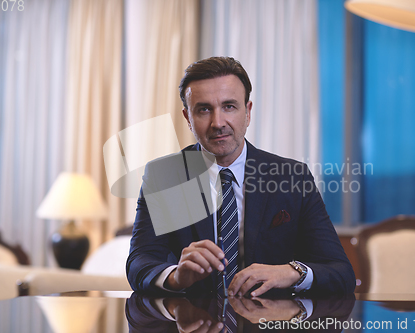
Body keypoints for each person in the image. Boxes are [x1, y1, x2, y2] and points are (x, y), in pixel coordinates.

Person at [126, 56, 355, 297]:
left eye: (229, 106)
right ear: (188, 118)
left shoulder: (292, 177)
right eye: (204, 109)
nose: (218, 122)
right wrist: (176, 276)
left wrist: (290, 272)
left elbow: (340, 272)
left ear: (247, 112)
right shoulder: (165, 177)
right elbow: (140, 263)